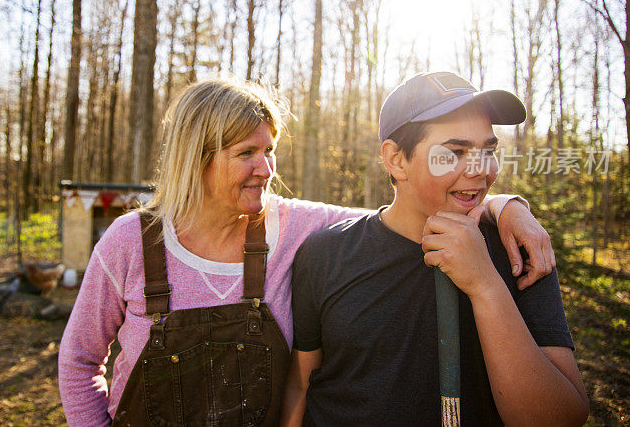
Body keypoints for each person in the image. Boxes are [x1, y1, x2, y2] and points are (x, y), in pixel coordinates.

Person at [58, 78, 556, 427]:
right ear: (198, 160)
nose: (266, 167)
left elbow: (401, 208)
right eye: (246, 154)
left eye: (269, 149)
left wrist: (505, 206)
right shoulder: (129, 243)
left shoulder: (294, 226)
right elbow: (79, 361)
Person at [282, 72, 588, 426]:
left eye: (488, 150)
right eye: (455, 152)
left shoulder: (519, 252)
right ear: (396, 160)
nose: (480, 171)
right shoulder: (326, 253)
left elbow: (562, 418)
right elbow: (301, 386)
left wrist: (485, 285)